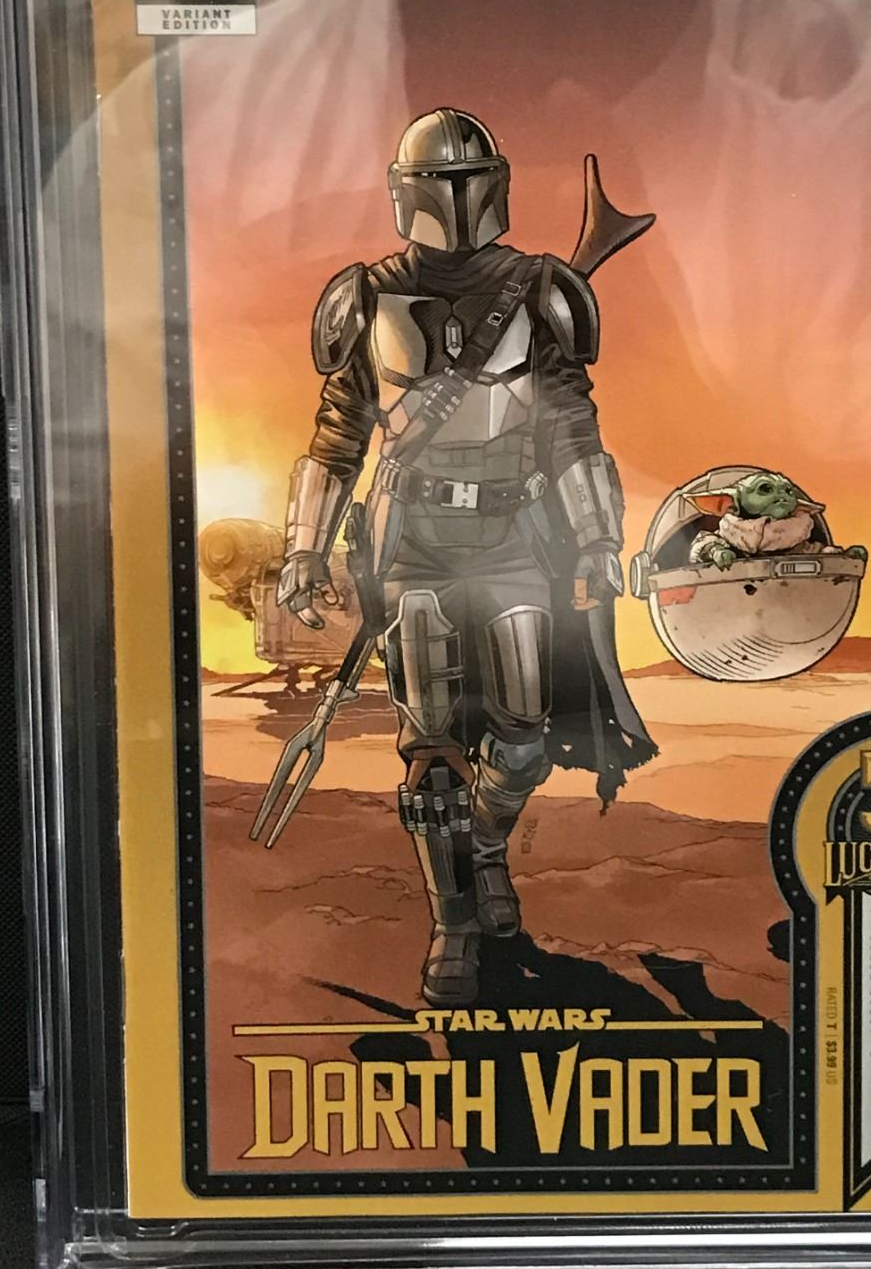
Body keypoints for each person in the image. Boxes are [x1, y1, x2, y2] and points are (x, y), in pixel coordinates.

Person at [277, 108, 653, 1005]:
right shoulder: (362, 296)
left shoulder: (543, 289)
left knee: (522, 738)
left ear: (493, 185)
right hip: (413, 546)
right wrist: (304, 549)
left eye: (467, 181)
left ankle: (483, 850)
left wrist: (597, 538)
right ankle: (453, 921)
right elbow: (338, 434)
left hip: (517, 539)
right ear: (406, 192)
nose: (454, 198)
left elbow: (571, 426)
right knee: (432, 751)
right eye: (438, 184)